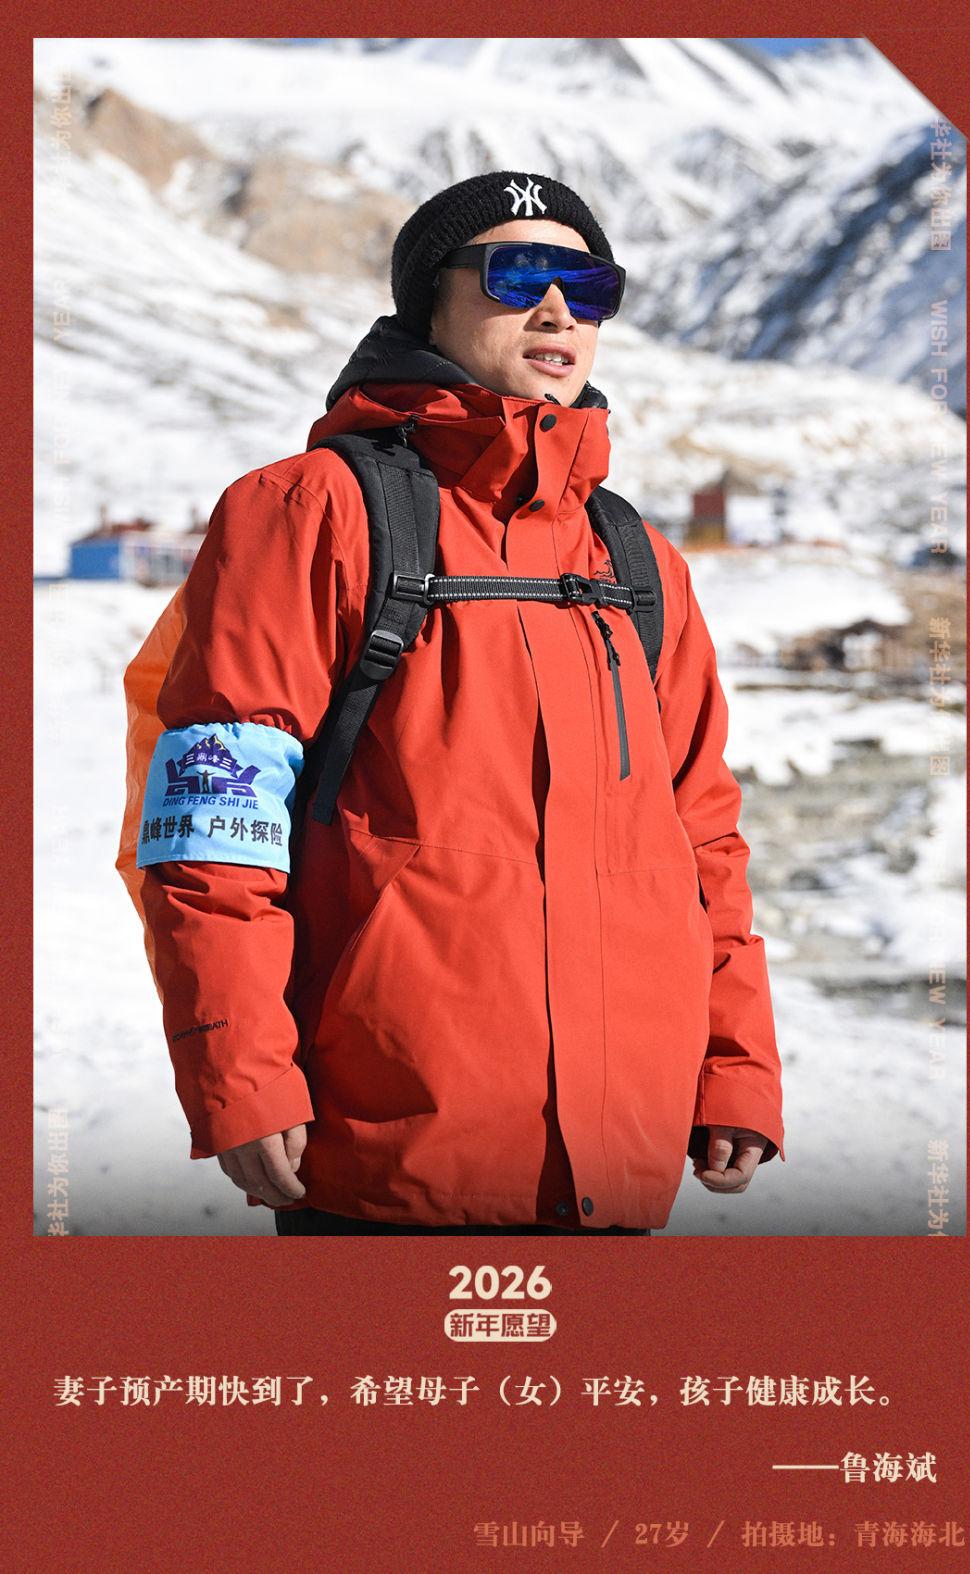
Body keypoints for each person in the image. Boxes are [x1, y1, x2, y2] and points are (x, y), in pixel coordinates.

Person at [133, 170, 786, 1236]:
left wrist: (735, 1068)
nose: (558, 309)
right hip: (386, 1156)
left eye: (589, 285)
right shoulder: (308, 510)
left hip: (618, 1159)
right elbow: (213, 823)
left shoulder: (638, 560)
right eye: (517, 274)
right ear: (426, 303)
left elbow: (702, 837)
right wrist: (238, 1072)